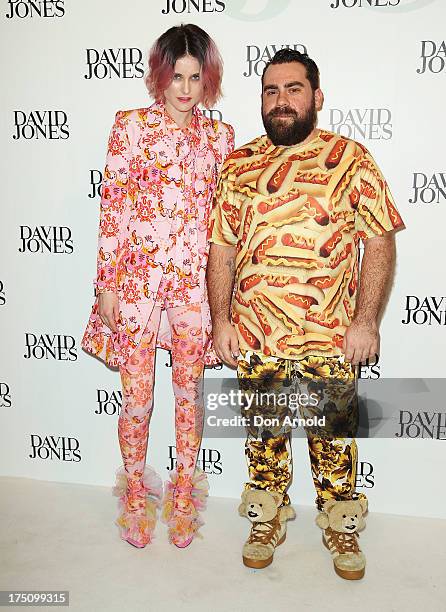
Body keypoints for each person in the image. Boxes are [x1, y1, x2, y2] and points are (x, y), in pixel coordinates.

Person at [206, 48, 404, 578]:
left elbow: (379, 240)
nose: (281, 101)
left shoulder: (351, 159)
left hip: (331, 335)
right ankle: (267, 517)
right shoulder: (239, 165)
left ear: (316, 97)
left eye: (293, 89)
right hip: (254, 333)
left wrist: (366, 322)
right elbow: (221, 249)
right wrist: (222, 320)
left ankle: (341, 526)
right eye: (271, 91)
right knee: (263, 438)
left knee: (332, 439)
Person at [82, 23, 234, 550]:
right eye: (176, 76)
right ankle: (134, 496)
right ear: (160, 76)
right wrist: (105, 283)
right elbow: (114, 210)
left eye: (195, 77)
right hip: (137, 284)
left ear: (207, 78)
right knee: (137, 398)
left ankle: (185, 496)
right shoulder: (129, 128)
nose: (185, 89)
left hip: (193, 288)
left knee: (189, 395)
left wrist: (225, 293)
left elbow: (223, 223)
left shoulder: (220, 137)